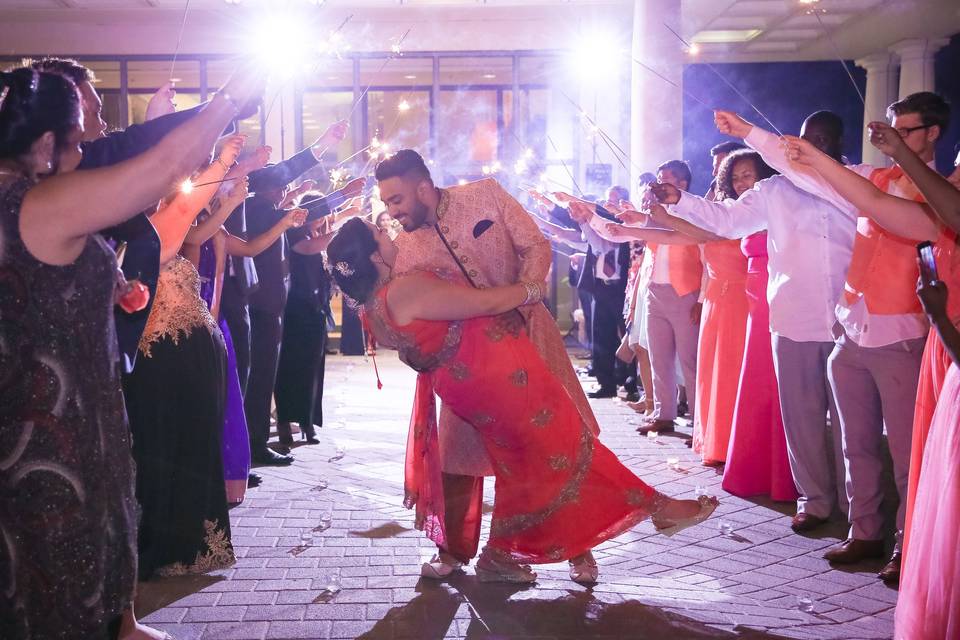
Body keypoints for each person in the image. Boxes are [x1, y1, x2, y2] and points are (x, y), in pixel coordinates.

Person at [0, 64, 256, 640]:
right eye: (77, 144)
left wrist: (112, 284)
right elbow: (160, 168)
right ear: (45, 146)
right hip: (46, 430)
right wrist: (229, 97)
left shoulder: (31, 204)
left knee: (94, 544)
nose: (88, 152)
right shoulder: (30, 203)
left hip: (73, 412)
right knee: (57, 570)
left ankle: (121, 625)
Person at [326, 217, 718, 583]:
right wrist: (530, 289)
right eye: (381, 234)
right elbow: (485, 304)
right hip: (498, 382)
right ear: (374, 255)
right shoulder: (404, 290)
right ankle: (656, 507)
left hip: (480, 384)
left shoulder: (373, 307)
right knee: (564, 447)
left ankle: (502, 554)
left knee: (530, 462)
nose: (391, 235)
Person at [729, 93, 950, 583]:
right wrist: (755, 136)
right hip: (853, 328)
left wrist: (753, 134)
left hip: (902, 330)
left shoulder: (941, 191)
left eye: (904, 131)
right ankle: (865, 530)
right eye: (888, 129)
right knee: (856, 444)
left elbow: (887, 213)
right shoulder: (875, 178)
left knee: (906, 452)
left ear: (933, 134)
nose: (889, 138)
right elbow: (814, 176)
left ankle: (906, 541)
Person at [375, 149, 604, 583]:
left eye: (397, 199)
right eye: (387, 203)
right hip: (470, 366)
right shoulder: (405, 249)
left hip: (532, 338)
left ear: (423, 187)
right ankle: (455, 550)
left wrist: (529, 291)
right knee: (461, 454)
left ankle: (579, 549)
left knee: (556, 441)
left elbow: (535, 243)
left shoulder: (486, 196)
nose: (393, 211)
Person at [650, 109, 855, 536]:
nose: (812, 147)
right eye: (805, 139)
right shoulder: (774, 189)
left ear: (839, 143)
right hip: (793, 318)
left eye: (822, 140)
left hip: (850, 322)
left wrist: (748, 131)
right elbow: (726, 220)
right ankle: (814, 501)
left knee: (852, 426)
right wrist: (679, 200)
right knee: (801, 419)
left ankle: (861, 513)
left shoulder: (856, 183)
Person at [637, 160, 704, 435]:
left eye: (664, 180)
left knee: (690, 360)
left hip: (685, 292)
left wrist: (701, 299)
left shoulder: (696, 212)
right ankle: (663, 414)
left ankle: (700, 422)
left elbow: (707, 258)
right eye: (658, 179)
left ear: (682, 185)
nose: (658, 185)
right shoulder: (656, 212)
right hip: (656, 290)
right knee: (659, 357)